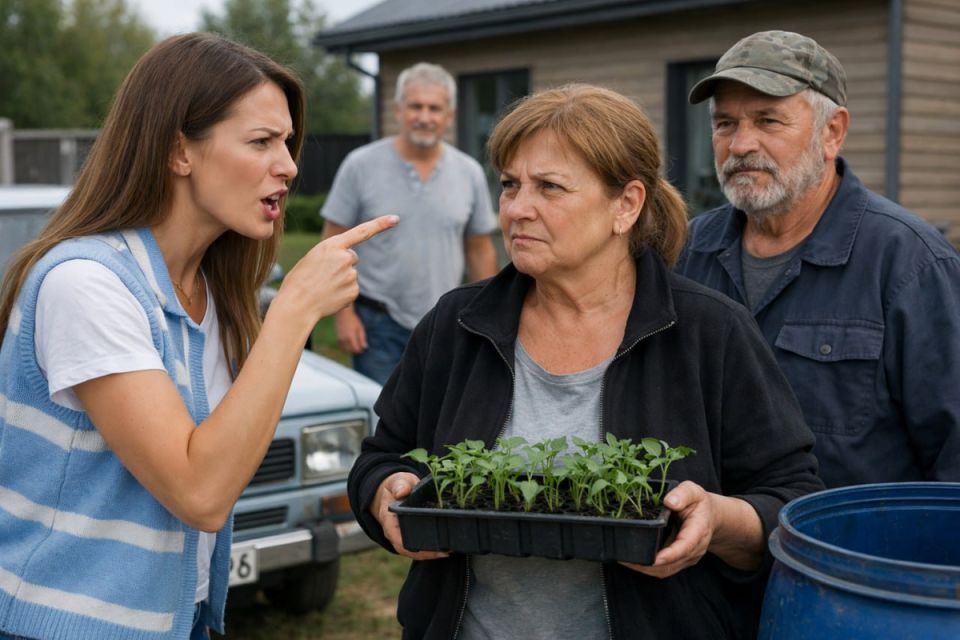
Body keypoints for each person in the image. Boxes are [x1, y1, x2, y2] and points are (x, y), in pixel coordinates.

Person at [348, 84, 823, 639]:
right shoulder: (458, 324)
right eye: (509, 185)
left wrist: (716, 520)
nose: (517, 208)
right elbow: (380, 457)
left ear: (626, 204)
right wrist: (387, 496)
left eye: (549, 187)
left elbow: (791, 498)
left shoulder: (708, 333)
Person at [0, 33, 396, 640]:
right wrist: (293, 313)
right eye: (261, 141)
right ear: (178, 151)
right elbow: (202, 492)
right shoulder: (86, 284)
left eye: (286, 142)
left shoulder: (213, 291)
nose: (289, 165)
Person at [676, 30, 960, 489]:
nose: (741, 144)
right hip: (706, 556)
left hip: (847, 556)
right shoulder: (687, 253)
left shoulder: (911, 265)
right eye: (725, 123)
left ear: (832, 132)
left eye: (768, 121)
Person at [320, 62, 498, 385]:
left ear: (450, 116)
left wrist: (486, 318)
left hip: (448, 324)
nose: (425, 117)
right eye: (416, 106)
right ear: (399, 110)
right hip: (377, 325)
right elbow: (332, 244)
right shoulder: (360, 165)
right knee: (383, 426)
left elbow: (479, 250)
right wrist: (343, 315)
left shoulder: (469, 172)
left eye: (435, 108)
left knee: (439, 426)